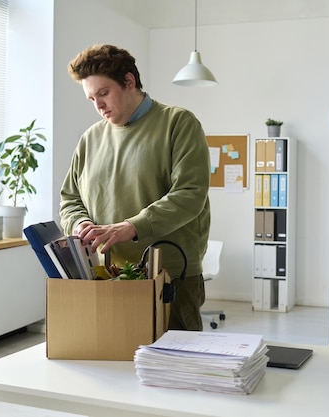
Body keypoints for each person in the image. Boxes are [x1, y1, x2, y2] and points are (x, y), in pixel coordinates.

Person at [60, 44, 211, 331]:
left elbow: (190, 195)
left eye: (103, 93)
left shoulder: (178, 123)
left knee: (175, 370)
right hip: (106, 275)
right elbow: (70, 198)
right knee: (114, 368)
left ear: (129, 82)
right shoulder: (90, 138)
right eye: (91, 98)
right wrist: (79, 223)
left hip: (170, 274)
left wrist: (130, 227)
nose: (98, 105)